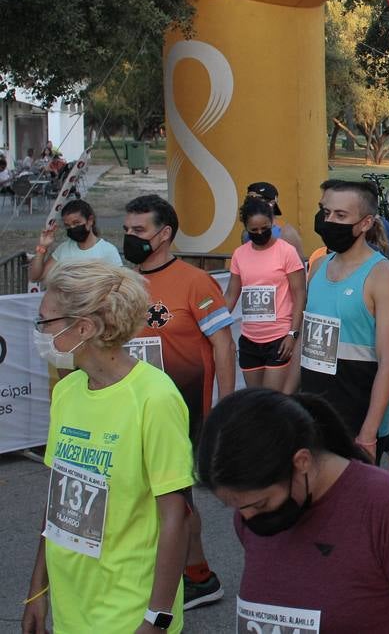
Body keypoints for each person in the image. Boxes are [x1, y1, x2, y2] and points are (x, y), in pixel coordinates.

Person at [23, 263, 193, 634]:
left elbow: (177, 518)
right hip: (72, 604)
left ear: (83, 328)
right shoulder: (67, 392)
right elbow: (58, 504)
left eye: (45, 322)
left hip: (128, 610)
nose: (40, 333)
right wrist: (38, 591)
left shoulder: (155, 398)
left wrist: (157, 618)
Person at [199, 390, 389, 634]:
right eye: (237, 507)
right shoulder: (253, 516)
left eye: (260, 504)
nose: (247, 519)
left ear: (301, 462)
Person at [122, 194, 234, 609]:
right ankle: (185, 572)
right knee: (153, 495)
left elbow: (223, 345)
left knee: (175, 497)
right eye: (127, 230)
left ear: (164, 234)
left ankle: (198, 577)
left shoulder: (194, 282)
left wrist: (226, 407)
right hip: (136, 408)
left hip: (182, 410)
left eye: (139, 231)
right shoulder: (127, 281)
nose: (130, 238)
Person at [300, 180, 389, 465]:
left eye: (340, 215)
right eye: (326, 212)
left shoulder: (382, 276)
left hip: (355, 422)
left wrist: (369, 433)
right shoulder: (319, 267)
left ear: (365, 223)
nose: (328, 221)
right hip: (311, 415)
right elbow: (307, 346)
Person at [225, 198, 307, 392]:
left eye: (265, 228)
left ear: (272, 223)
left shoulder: (286, 252)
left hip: (279, 337)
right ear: (245, 228)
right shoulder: (239, 254)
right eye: (254, 230)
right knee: (256, 400)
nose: (260, 233)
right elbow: (231, 294)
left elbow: (300, 294)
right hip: (250, 339)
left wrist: (292, 333)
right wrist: (212, 322)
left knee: (273, 401)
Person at [27, 198, 122, 283]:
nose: (72, 228)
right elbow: (35, 277)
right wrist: (43, 247)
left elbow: (120, 285)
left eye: (76, 223)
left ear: (90, 221)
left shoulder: (107, 251)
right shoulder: (63, 249)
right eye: (68, 225)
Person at [242, 181, 305, 256]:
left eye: (255, 198)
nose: (250, 203)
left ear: (272, 203)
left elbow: (299, 265)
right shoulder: (246, 233)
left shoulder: (286, 233)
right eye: (248, 199)